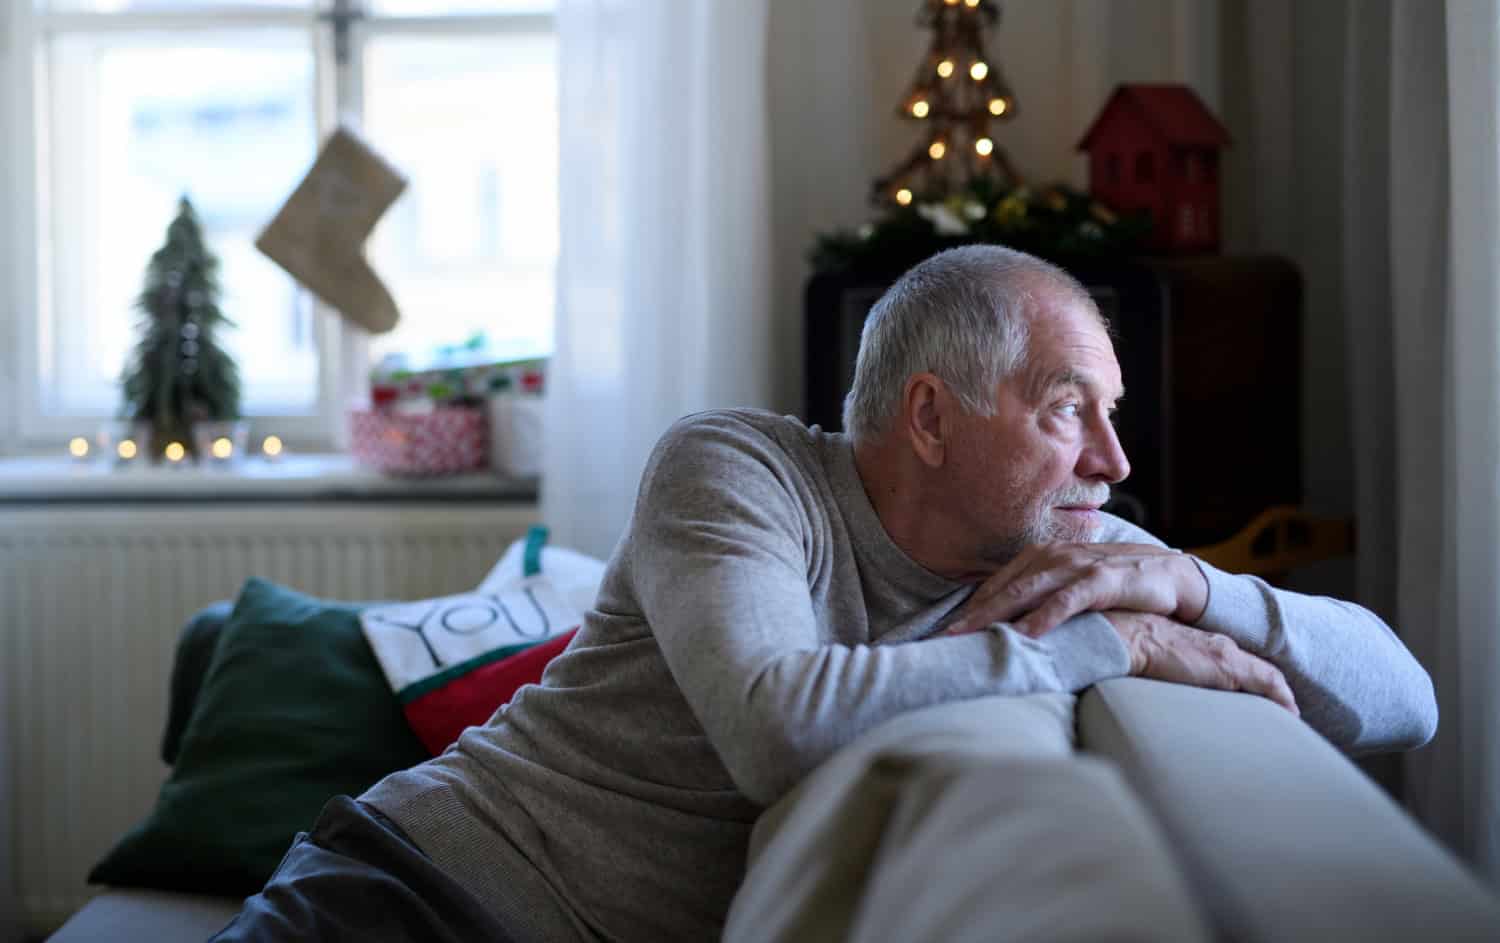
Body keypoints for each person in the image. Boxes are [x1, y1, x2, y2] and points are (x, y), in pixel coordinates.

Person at [214, 245, 1437, 942]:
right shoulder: (739, 469)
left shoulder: (1071, 544)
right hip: (410, 895)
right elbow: (776, 722)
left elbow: (1408, 701)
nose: (1115, 462)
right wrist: (1104, 644)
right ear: (930, 415)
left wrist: (1197, 587)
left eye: (1112, 416)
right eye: (1070, 409)